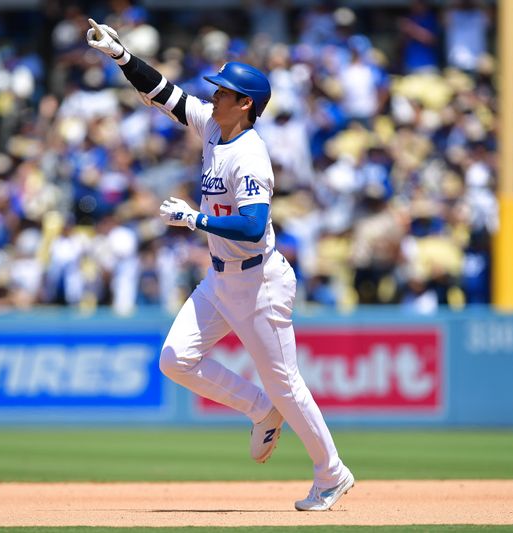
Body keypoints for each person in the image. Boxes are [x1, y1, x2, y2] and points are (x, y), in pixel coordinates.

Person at [86, 18, 354, 511]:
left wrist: (195, 219)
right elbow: (164, 93)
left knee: (288, 383)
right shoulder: (213, 124)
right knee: (175, 359)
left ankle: (332, 474)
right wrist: (120, 56)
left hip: (259, 281)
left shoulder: (250, 154)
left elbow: (252, 227)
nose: (214, 98)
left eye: (224, 93)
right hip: (221, 278)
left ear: (245, 104)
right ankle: (259, 409)